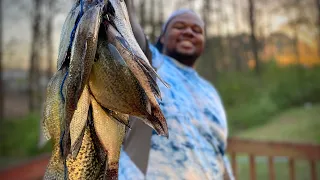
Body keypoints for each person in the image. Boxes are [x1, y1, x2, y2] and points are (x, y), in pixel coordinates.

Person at [119, 1, 234, 180]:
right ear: (163, 37)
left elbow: (219, 152)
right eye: (179, 26)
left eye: (197, 30)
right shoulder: (149, 63)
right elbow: (129, 28)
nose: (189, 32)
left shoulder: (210, 91)